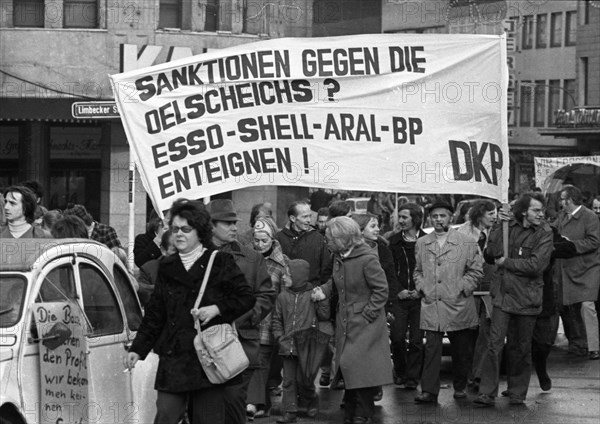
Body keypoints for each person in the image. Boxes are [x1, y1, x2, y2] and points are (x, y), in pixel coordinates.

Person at [126, 199, 255, 424]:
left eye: (186, 229)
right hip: (174, 358)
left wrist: (217, 309)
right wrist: (138, 349)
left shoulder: (220, 261)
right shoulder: (166, 266)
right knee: (165, 414)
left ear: (200, 231)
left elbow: (246, 297)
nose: (179, 234)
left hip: (208, 358)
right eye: (174, 229)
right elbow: (156, 314)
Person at [475, 192, 553, 406]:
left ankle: (517, 391)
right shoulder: (508, 225)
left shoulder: (544, 232)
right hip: (503, 295)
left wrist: (506, 263)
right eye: (536, 210)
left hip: (527, 298)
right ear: (524, 211)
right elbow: (491, 253)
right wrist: (500, 225)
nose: (540, 214)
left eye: (542, 210)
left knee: (521, 347)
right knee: (494, 344)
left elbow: (536, 266)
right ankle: (486, 392)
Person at [312, 217, 393, 424]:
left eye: (329, 237)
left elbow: (381, 290)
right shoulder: (339, 257)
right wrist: (324, 290)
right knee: (348, 365)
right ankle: (352, 410)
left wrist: (369, 314)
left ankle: (362, 412)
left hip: (366, 323)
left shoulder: (367, 259)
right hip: (346, 320)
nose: (326, 241)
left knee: (359, 367)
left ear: (342, 238)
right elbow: (336, 281)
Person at [206, 199, 275, 424]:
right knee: (205, 409)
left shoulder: (252, 258)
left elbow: (266, 296)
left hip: (240, 345)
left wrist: (243, 317)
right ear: (211, 225)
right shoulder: (194, 257)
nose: (235, 227)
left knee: (233, 406)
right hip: (202, 348)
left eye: (235, 222)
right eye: (227, 223)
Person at [413, 202, 483, 403]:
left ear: (451, 217)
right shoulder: (422, 242)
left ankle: (460, 386)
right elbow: (418, 270)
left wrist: (463, 287)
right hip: (432, 302)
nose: (438, 219)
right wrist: (422, 286)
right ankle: (429, 390)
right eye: (434, 216)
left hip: (458, 303)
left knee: (461, 350)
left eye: (442, 215)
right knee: (432, 349)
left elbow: (476, 270)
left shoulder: (467, 242)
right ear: (430, 219)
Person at [272, 259, 331, 424]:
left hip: (307, 346)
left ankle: (311, 398)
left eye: (288, 275)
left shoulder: (312, 294)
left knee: (303, 380)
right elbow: (276, 320)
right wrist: (279, 337)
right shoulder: (282, 297)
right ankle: (290, 411)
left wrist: (322, 300)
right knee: (289, 380)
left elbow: (324, 316)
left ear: (298, 276)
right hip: (287, 346)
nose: (284, 277)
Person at [246, 216, 291, 420]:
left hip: (268, 323)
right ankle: (257, 402)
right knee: (251, 362)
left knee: (263, 363)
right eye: (256, 240)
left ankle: (257, 403)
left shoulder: (282, 265)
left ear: (273, 239)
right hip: (248, 320)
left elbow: (285, 297)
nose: (260, 244)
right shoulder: (248, 259)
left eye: (264, 240)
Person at [351, 213, 400, 401]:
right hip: (355, 308)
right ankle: (354, 392)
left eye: (377, 225)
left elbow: (390, 280)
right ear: (360, 229)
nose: (378, 229)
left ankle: (375, 386)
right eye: (373, 226)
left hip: (378, 306)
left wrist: (390, 307)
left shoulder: (383, 249)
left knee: (375, 350)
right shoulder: (348, 250)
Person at [554, 185, 600, 360]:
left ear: (571, 199)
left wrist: (571, 245)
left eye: (563, 199)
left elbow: (594, 241)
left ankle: (594, 346)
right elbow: (552, 230)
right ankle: (579, 343)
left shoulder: (590, 217)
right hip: (568, 269)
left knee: (587, 306)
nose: (561, 202)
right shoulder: (563, 217)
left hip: (587, 269)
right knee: (570, 308)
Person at [456, 199, 497, 390]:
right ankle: (466, 373)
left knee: (487, 333)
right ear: (480, 214)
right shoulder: (461, 233)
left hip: (491, 288)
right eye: (490, 213)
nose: (494, 217)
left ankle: (479, 375)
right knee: (468, 333)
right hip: (468, 289)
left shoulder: (498, 231)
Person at [387, 203, 427, 390]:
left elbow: (432, 270)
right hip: (400, 298)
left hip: (421, 298)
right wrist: (398, 290)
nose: (400, 220)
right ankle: (401, 371)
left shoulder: (427, 241)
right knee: (397, 337)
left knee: (417, 340)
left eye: (405, 217)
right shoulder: (393, 241)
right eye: (399, 217)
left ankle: (413, 377)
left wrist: (421, 290)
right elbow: (389, 270)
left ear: (415, 219)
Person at [276, 201, 332, 287]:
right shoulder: (279, 239)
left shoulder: (318, 238)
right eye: (305, 217)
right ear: (293, 218)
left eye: (310, 216)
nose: (309, 220)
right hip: (286, 293)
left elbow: (326, 269)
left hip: (312, 293)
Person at [137, 230, 177, 307]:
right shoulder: (148, 269)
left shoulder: (196, 267)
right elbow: (145, 297)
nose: (180, 255)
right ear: (163, 250)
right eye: (175, 250)